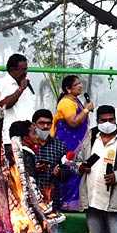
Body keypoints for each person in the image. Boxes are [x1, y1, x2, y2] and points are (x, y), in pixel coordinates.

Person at [50, 74, 94, 210]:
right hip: (68, 143)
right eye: (77, 84)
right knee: (69, 170)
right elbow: (73, 122)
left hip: (76, 143)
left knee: (78, 170)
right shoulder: (66, 102)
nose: (80, 86)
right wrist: (86, 109)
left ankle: (75, 204)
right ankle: (66, 204)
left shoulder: (75, 101)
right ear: (68, 89)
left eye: (80, 83)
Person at [29, 109, 70, 207]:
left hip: (52, 199)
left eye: (48, 123)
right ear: (34, 125)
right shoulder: (26, 144)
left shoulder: (59, 146)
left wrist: (59, 172)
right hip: (29, 198)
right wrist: (34, 169)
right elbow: (15, 172)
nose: (45, 127)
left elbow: (67, 174)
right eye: (41, 123)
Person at [0, 53, 38, 140]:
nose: (25, 73)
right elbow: (3, 104)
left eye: (26, 69)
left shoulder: (26, 84)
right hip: (10, 138)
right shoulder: (2, 84)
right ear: (12, 69)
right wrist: (20, 89)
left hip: (28, 138)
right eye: (23, 69)